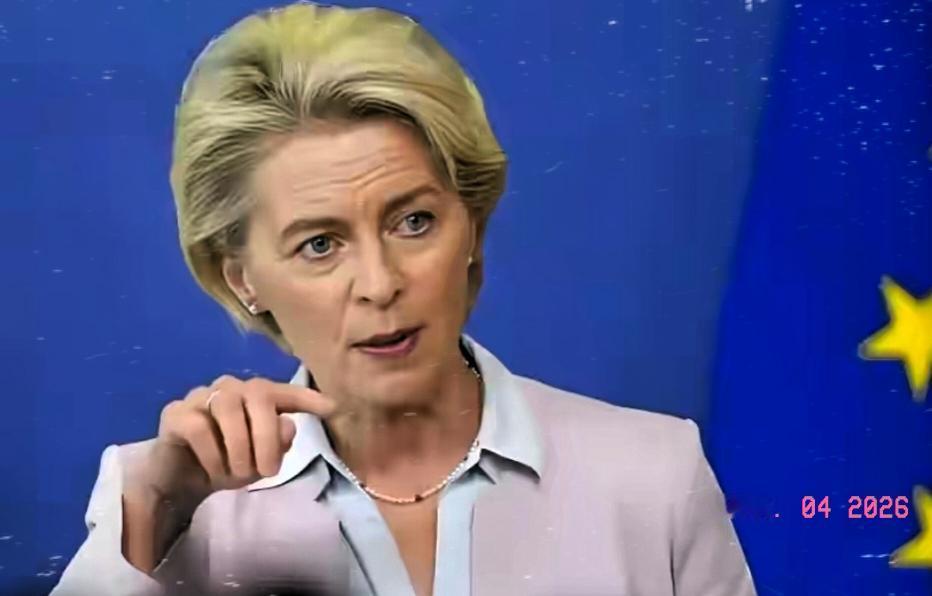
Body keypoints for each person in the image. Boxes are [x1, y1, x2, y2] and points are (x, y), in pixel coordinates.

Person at [51, 3, 757, 595]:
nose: (381, 282)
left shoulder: (655, 475)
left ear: (471, 225)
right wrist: (155, 512)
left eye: (413, 221)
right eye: (319, 244)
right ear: (243, 279)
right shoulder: (162, 501)